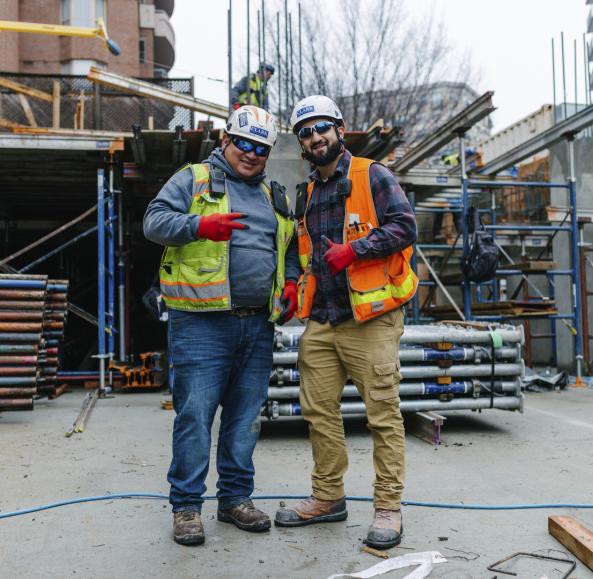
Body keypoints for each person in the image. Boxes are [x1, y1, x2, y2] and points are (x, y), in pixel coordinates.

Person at [143, 105, 299, 547]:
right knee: (195, 416)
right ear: (225, 140)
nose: (251, 154)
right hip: (201, 325)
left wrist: (289, 284)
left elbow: (286, 247)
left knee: (246, 419)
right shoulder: (192, 180)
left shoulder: (274, 193)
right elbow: (154, 222)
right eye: (244, 144)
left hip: (257, 325)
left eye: (261, 148)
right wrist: (199, 226)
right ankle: (187, 507)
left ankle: (234, 500)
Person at [274, 95, 418, 550]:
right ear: (301, 143)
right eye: (306, 133)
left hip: (371, 318)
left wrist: (355, 250)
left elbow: (405, 226)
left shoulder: (371, 174)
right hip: (323, 319)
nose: (315, 138)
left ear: (339, 129)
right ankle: (328, 497)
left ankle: (388, 508)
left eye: (321, 128)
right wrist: (295, 282)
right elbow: (303, 247)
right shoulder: (308, 191)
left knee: (382, 415)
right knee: (318, 412)